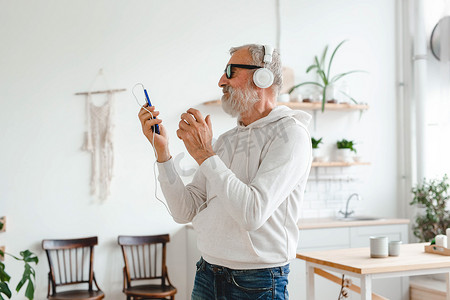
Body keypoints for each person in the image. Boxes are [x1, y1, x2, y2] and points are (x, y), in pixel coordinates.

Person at [138, 44, 312, 300]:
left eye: (231, 71)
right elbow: (184, 210)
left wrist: (205, 154)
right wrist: (162, 153)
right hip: (208, 274)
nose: (221, 81)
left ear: (262, 77)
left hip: (257, 282)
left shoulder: (291, 136)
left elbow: (252, 213)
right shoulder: (225, 141)